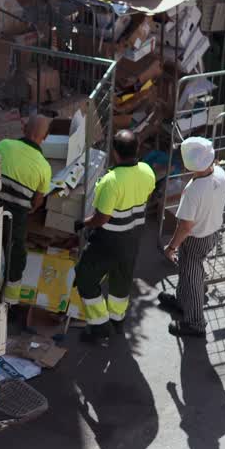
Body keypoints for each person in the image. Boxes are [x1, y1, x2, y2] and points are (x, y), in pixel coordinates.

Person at [75, 129, 157, 342]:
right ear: (137, 149)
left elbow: (101, 218)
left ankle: (100, 325)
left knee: (85, 277)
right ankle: (116, 320)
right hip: (133, 238)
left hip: (108, 241)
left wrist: (83, 224)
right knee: (121, 279)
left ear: (114, 152)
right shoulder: (147, 171)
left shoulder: (110, 181)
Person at [161, 136, 225, 338]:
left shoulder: (193, 190)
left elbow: (185, 226)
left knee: (192, 280)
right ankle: (182, 303)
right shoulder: (220, 173)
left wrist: (171, 247)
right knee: (188, 272)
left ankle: (196, 323)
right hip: (213, 231)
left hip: (196, 240)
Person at [0, 115, 53, 305]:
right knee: (16, 256)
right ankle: (9, 302)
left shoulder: (4, 145)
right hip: (16, 219)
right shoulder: (44, 167)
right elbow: (37, 202)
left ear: (23, 128)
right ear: (45, 137)